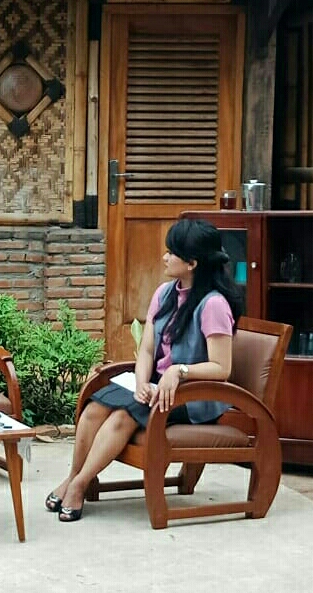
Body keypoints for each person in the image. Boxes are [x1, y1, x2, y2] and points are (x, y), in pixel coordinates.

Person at [45, 219, 243, 522]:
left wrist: (179, 371)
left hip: (194, 395)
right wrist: (140, 382)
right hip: (157, 385)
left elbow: (221, 368)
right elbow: (147, 350)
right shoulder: (164, 293)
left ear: (192, 263)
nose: (164, 257)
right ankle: (73, 476)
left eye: (171, 253)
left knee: (123, 417)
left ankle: (79, 486)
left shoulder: (213, 305)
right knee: (94, 408)